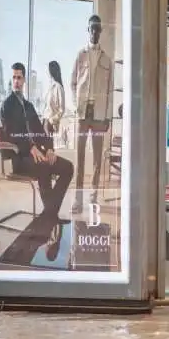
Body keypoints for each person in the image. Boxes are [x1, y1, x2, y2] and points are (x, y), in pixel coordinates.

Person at [0, 62, 74, 217]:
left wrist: (49, 149)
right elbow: (11, 134)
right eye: (14, 78)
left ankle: (49, 212)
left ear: (24, 80)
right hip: (20, 159)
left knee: (68, 167)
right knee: (44, 166)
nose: (17, 81)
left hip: (36, 155)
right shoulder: (7, 105)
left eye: (19, 77)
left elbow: (40, 131)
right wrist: (30, 148)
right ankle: (50, 215)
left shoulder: (29, 106)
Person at [70, 15, 114, 213]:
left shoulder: (107, 59)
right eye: (91, 29)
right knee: (79, 158)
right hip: (82, 114)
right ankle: (77, 200)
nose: (94, 32)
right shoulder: (80, 55)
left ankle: (93, 197)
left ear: (101, 31)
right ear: (87, 30)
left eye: (98, 29)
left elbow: (110, 91)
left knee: (97, 158)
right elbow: (72, 83)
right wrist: (75, 105)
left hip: (98, 116)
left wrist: (108, 117)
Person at [42, 60, 66, 136]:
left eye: (48, 70)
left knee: (49, 146)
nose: (47, 72)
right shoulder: (50, 87)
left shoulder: (58, 87)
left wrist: (51, 120)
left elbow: (62, 109)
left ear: (51, 71)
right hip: (44, 121)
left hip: (50, 123)